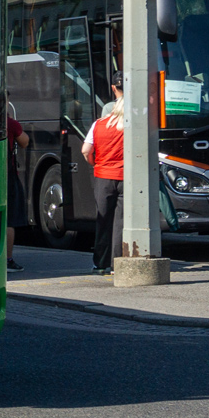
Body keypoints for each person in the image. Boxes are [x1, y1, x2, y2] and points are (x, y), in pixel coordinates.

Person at [82, 73, 124, 276]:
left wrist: (96, 163)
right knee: (120, 221)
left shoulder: (98, 124)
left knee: (103, 219)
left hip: (103, 176)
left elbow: (85, 151)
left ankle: (100, 263)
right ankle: (118, 263)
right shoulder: (131, 126)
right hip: (125, 177)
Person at [6, 112, 30, 271]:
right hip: (6, 175)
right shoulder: (9, 123)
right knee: (9, 220)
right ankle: (7, 260)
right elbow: (25, 142)